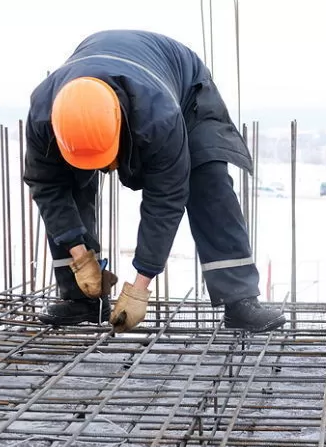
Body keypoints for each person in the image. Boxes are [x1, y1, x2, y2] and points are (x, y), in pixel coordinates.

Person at [23, 30, 286, 334]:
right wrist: (80, 257)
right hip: (113, 80)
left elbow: (166, 199)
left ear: (120, 126)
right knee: (64, 183)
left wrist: (140, 287)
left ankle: (240, 301)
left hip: (184, 93)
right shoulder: (44, 116)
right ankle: (83, 299)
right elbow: (47, 186)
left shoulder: (160, 117)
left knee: (207, 178)